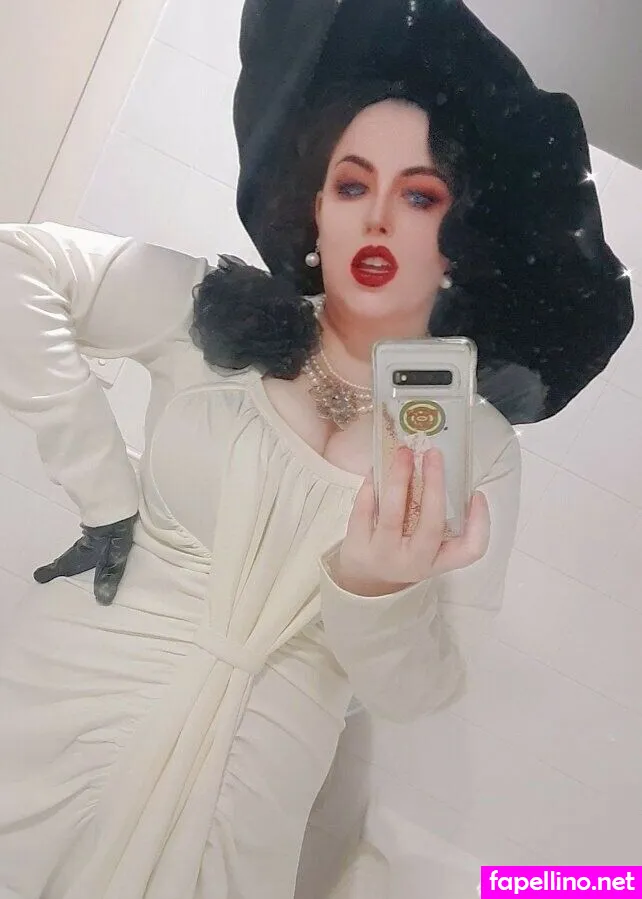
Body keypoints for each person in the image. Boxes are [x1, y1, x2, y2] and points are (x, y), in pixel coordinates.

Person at [0, 2, 632, 898]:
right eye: (351, 185)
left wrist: (379, 593)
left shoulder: (474, 442)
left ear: (458, 241)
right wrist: (102, 491)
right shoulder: (215, 314)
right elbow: (16, 265)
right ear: (315, 206)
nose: (377, 219)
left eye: (419, 195)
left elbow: (423, 690)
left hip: (250, 790)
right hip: (61, 704)